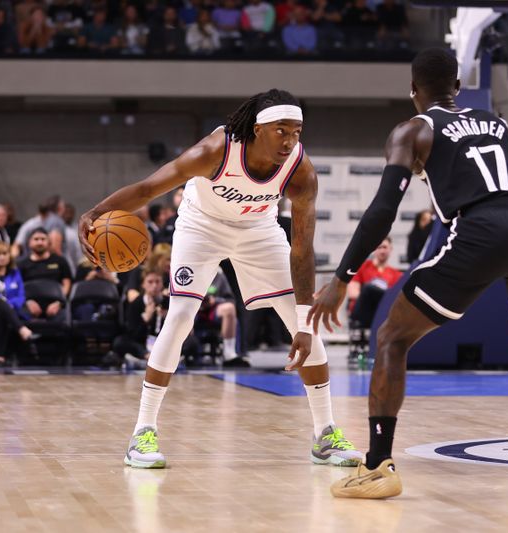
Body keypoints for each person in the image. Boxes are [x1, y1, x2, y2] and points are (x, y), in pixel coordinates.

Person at [310, 48, 508, 499]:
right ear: (458, 87)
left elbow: (382, 209)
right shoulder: (501, 125)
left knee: (392, 339)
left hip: (479, 229)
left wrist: (342, 277)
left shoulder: (413, 129)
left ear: (413, 90)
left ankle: (378, 466)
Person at [78, 89, 361, 469]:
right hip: (202, 226)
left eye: (296, 131)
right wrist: (96, 212)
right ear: (258, 129)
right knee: (179, 318)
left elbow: (302, 250)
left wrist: (304, 320)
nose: (290, 139)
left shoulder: (300, 170)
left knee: (304, 324)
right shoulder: (214, 150)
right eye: (281, 130)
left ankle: (325, 434)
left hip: (259, 229)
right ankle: (142, 433)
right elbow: (148, 189)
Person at [114, 269, 200, 370]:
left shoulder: (169, 302)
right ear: (143, 284)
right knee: (120, 342)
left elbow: (181, 331)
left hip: (165, 344)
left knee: (192, 342)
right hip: (143, 344)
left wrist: (168, 318)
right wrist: (146, 318)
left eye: (157, 282)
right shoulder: (136, 303)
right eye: (150, 282)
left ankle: (159, 359)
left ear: (162, 284)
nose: (154, 285)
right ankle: (147, 357)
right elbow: (132, 334)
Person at [347, 237, 402, 328]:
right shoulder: (362, 268)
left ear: (390, 249)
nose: (382, 251)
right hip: (363, 312)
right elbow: (352, 293)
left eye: (384, 247)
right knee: (368, 289)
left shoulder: (396, 274)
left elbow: (397, 300)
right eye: (379, 247)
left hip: (383, 313)